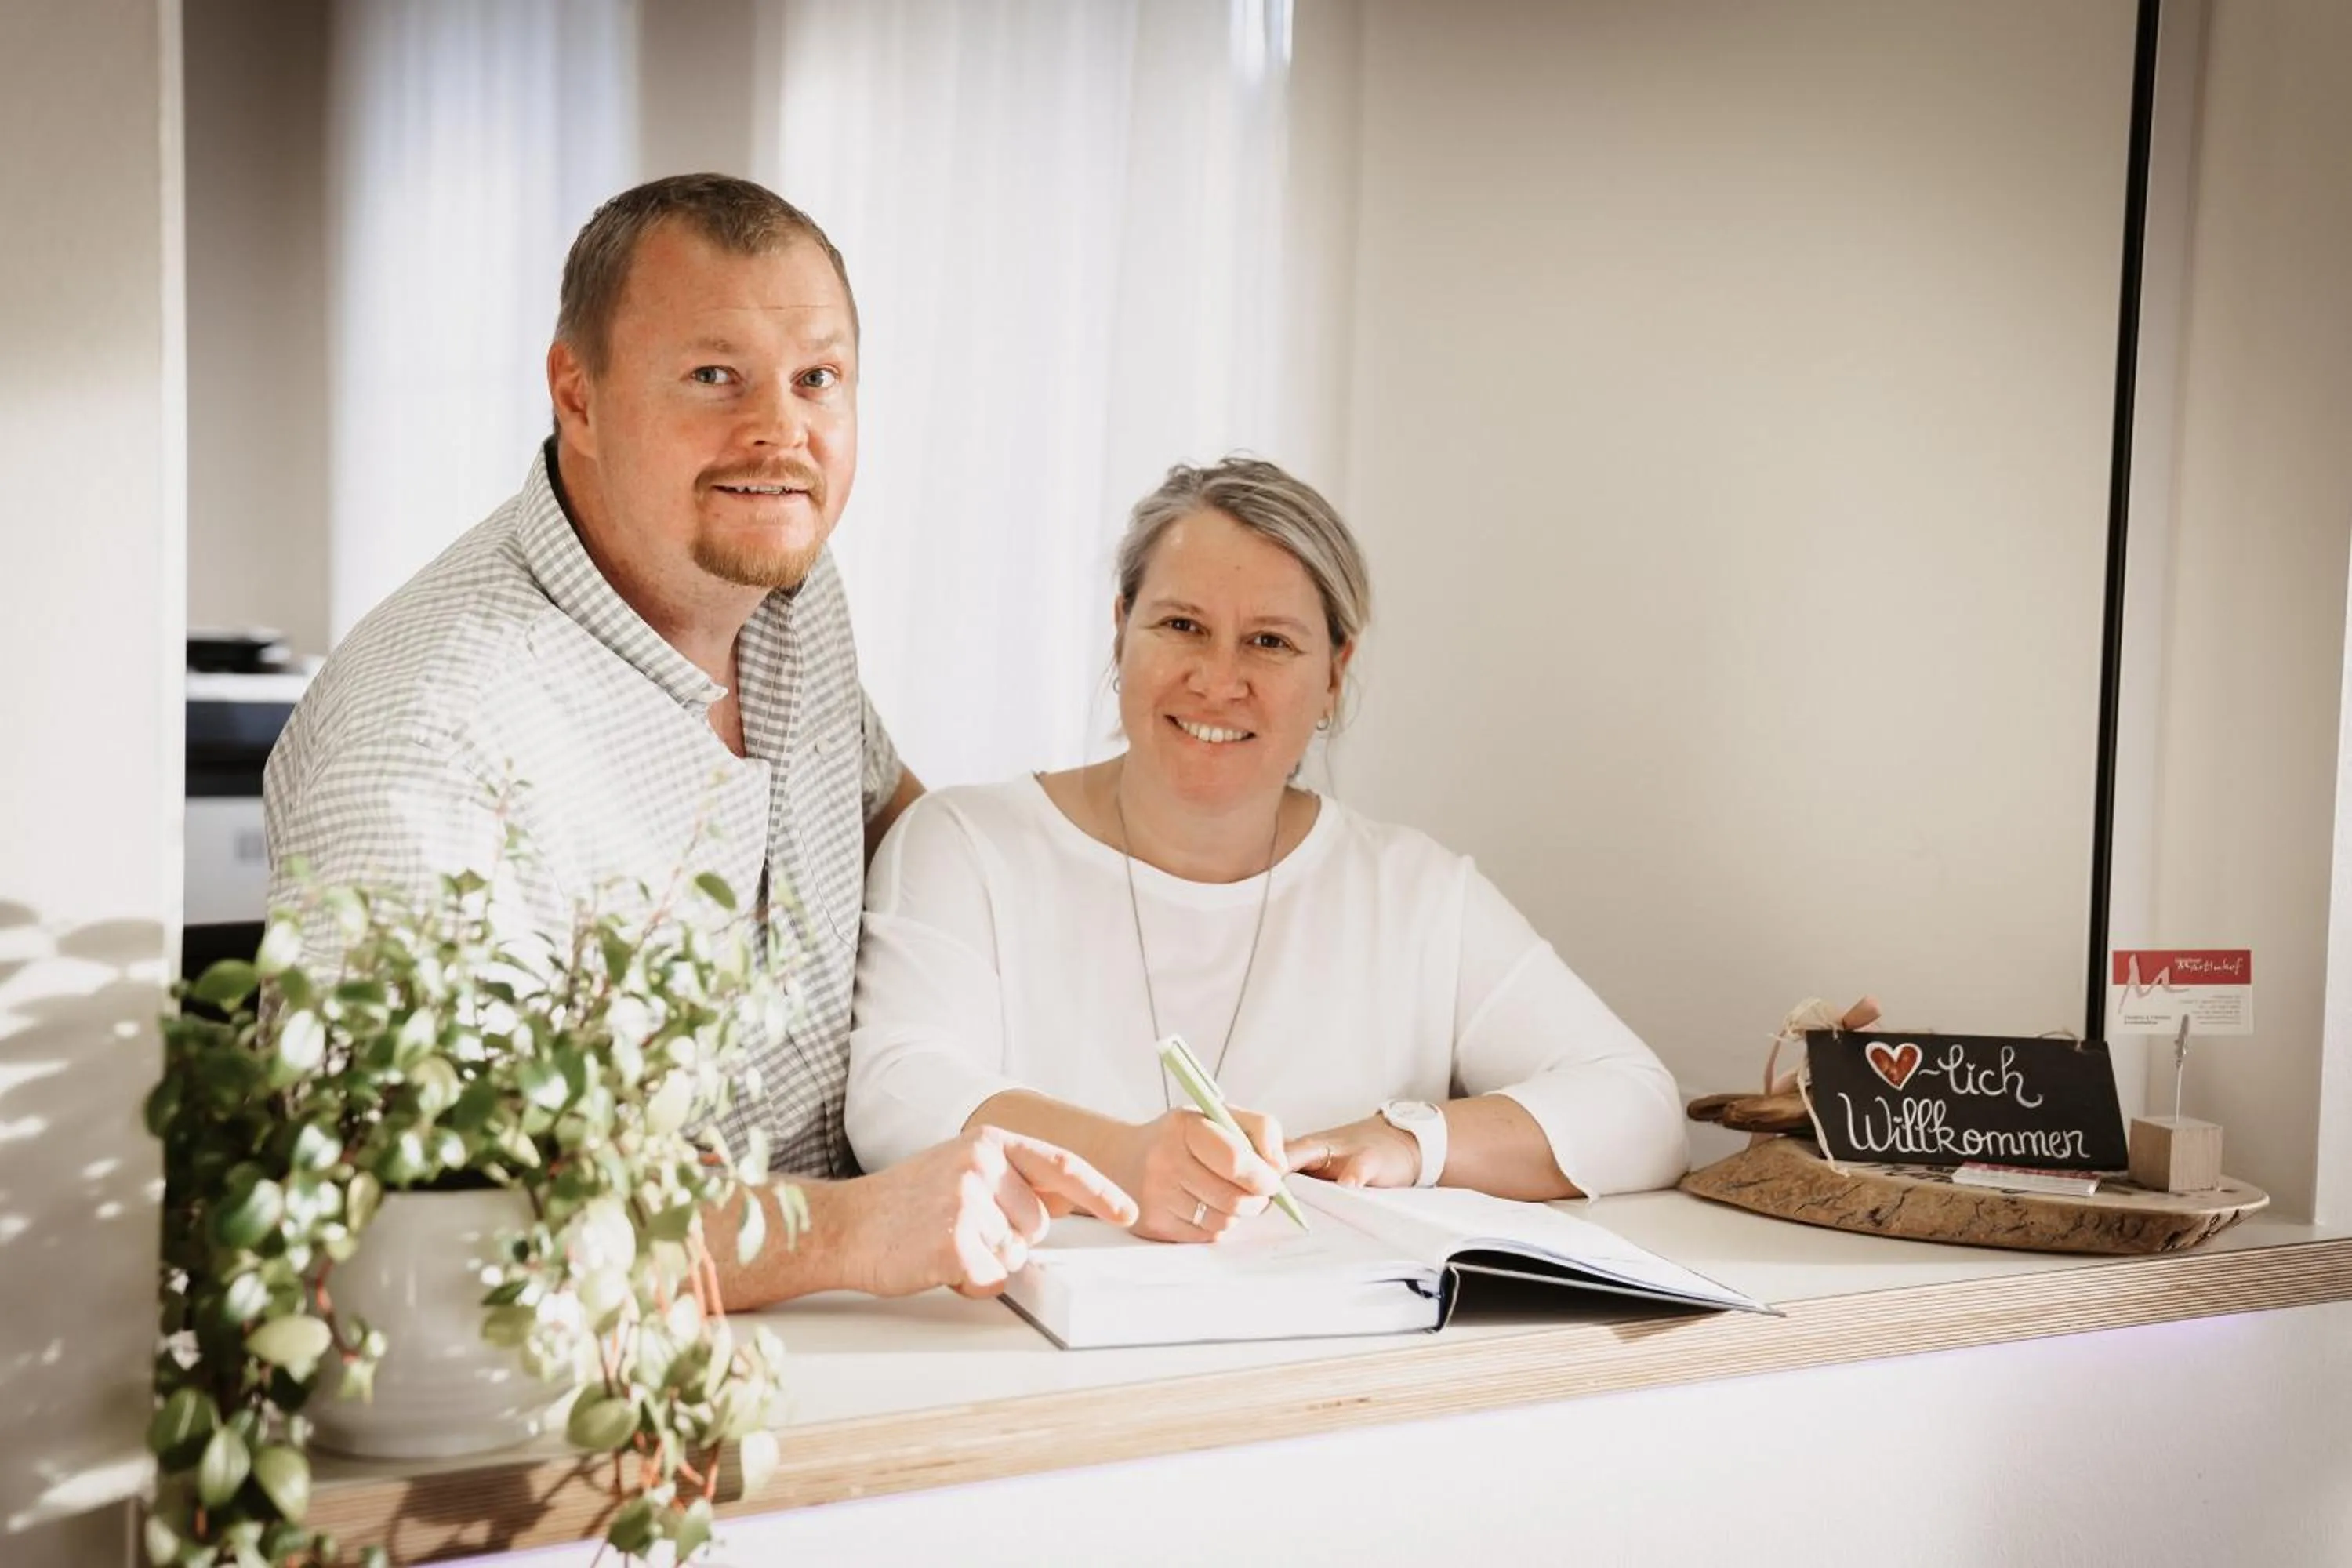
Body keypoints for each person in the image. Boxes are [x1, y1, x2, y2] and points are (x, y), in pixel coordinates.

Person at [264, 174, 1134, 1305]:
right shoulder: (426, 736)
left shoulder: (788, 589)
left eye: (816, 380)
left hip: (877, 1339)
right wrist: (838, 1234)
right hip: (587, 1404)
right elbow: (408, 1228)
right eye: (715, 377)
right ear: (577, 395)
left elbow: (903, 837)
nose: (779, 434)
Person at [845, 457, 1688, 1240]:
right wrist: (1124, 1156)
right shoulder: (964, 844)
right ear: (1121, 631)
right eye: (1182, 624)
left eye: (1271, 641)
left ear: (1334, 672)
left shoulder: (1416, 890)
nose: (1218, 679)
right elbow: (897, 1093)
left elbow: (1640, 1108)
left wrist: (1409, 1141)